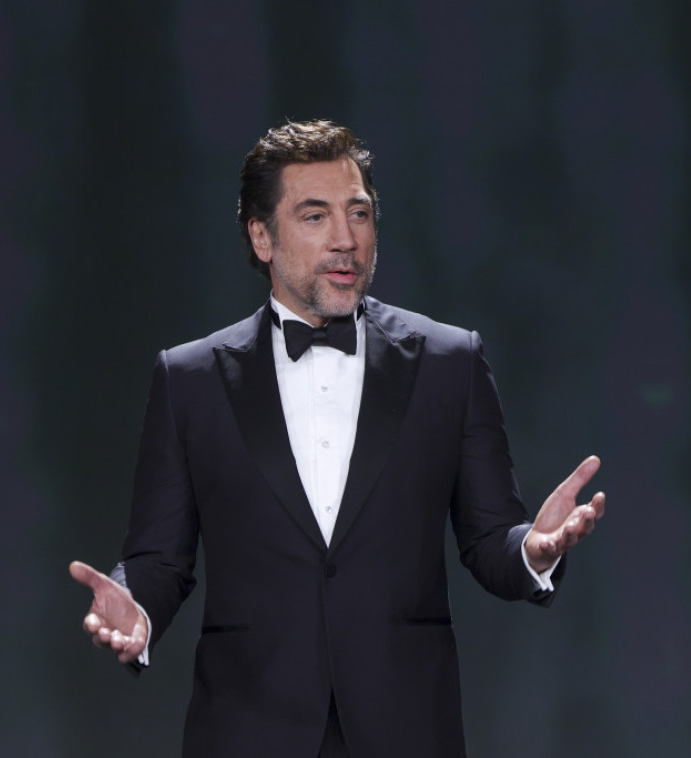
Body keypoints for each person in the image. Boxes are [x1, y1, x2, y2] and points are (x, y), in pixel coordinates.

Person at [70, 119, 605, 757]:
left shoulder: (449, 362)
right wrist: (134, 607)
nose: (346, 239)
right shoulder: (189, 380)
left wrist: (534, 553)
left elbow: (491, 540)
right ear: (262, 237)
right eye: (315, 216)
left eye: (359, 213)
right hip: (247, 732)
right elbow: (160, 559)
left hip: (407, 731)